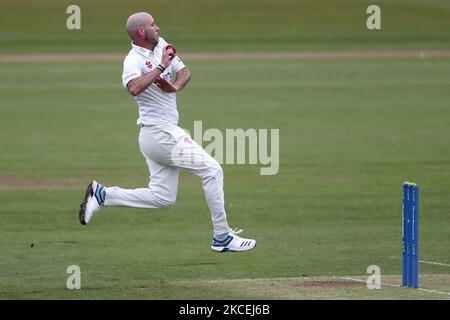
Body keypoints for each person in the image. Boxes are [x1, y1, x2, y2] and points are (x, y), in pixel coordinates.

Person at [78, 12, 256, 253]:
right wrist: (161, 67)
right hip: (160, 134)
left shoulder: (161, 44)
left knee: (163, 197)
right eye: (152, 24)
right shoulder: (132, 60)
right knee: (212, 170)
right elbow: (133, 88)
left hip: (158, 136)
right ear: (141, 31)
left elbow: (185, 72)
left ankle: (103, 195)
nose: (157, 27)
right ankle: (222, 236)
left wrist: (174, 86)